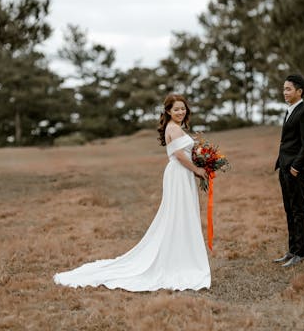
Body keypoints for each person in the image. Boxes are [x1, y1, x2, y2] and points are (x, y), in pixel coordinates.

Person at [53, 94, 211, 291]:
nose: (181, 112)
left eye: (183, 108)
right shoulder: (173, 128)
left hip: (181, 174)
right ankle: (178, 258)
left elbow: (185, 153)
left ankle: (183, 254)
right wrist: (197, 170)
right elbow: (179, 155)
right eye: (176, 109)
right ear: (168, 111)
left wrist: (199, 164)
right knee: (179, 214)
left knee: (182, 214)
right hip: (179, 173)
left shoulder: (177, 128)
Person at [274, 74, 304, 267]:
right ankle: (292, 251)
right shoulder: (290, 111)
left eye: (288, 89)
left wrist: (295, 167)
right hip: (283, 167)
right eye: (284, 89)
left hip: (295, 170)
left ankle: (302, 252)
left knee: (299, 209)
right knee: (289, 209)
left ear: (299, 91)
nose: (285, 92)